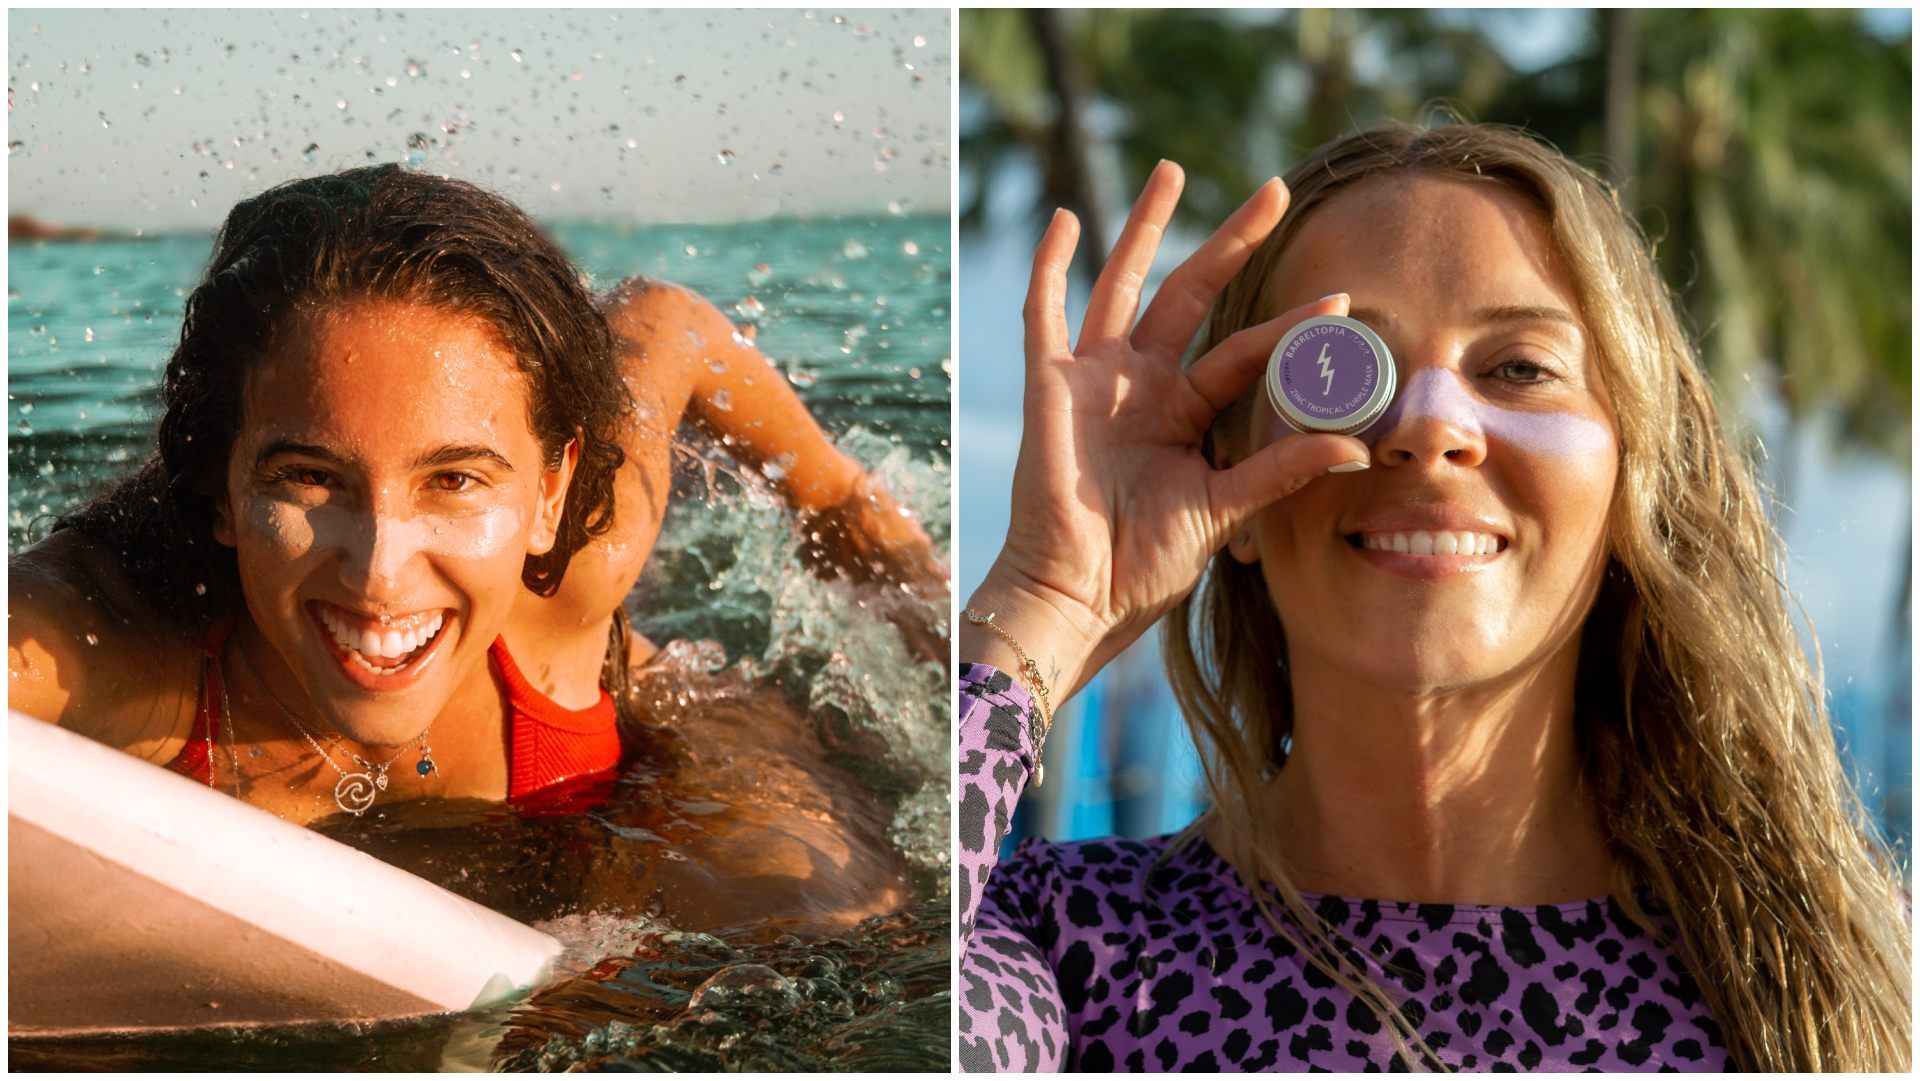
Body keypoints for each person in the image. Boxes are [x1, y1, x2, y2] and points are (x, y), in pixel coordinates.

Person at [956, 124, 1909, 1072]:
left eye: (1520, 368)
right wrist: (1048, 600)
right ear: (1232, 478)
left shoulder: (1851, 975)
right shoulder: (1055, 939)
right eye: (1339, 367)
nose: (1426, 425)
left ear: (1635, 480)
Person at [8, 165, 937, 922]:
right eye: (311, 478)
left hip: (650, 710)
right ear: (219, 486)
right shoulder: (102, 651)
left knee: (824, 919)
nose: (380, 571)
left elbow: (669, 321)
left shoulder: (581, 564)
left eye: (452, 480)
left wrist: (843, 504)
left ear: (550, 494)